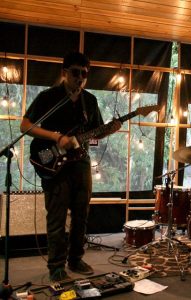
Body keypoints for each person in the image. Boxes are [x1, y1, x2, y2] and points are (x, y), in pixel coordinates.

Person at [20, 51, 121, 282]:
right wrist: (56, 137)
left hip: (80, 163)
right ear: (64, 73)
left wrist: (108, 130)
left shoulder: (90, 101)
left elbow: (93, 135)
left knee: (81, 215)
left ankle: (76, 258)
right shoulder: (49, 97)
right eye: (76, 73)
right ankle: (56, 265)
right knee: (56, 216)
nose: (80, 78)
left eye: (84, 74)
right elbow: (25, 126)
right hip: (52, 162)